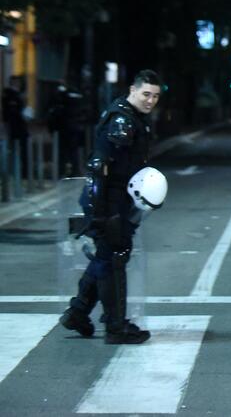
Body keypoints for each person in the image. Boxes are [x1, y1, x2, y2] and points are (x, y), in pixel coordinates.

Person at [60, 69, 162, 344]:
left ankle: (78, 312)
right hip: (108, 201)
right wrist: (102, 213)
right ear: (132, 90)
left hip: (118, 199)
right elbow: (98, 168)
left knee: (108, 257)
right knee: (113, 257)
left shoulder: (135, 118)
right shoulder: (122, 120)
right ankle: (115, 327)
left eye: (155, 96)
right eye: (146, 94)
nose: (150, 100)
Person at [2, 75, 30, 175]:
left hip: (21, 126)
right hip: (14, 126)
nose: (17, 84)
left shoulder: (20, 94)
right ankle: (16, 172)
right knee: (14, 150)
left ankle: (23, 172)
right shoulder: (9, 95)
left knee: (23, 151)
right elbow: (8, 113)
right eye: (15, 82)